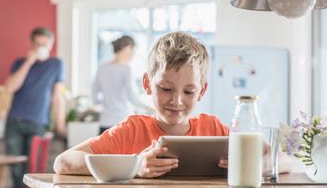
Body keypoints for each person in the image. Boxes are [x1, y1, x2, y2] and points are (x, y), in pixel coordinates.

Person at [54, 32, 292, 178]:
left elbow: (285, 161)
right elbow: (63, 162)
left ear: (202, 91)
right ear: (147, 84)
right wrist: (134, 166)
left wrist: (259, 166)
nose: (177, 101)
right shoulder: (130, 130)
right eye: (165, 89)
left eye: (189, 91)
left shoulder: (214, 129)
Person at [4, 27, 67, 188]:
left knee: (32, 173)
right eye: (38, 44)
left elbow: (57, 96)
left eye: (44, 44)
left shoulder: (56, 64)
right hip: (14, 123)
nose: (41, 47)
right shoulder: (20, 62)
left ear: (51, 45)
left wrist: (60, 125)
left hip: (37, 124)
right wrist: (27, 63)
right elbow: (9, 88)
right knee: (16, 172)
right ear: (32, 44)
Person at [92, 35, 145, 134]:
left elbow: (95, 98)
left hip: (105, 123)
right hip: (122, 123)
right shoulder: (126, 69)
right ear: (128, 48)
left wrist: (108, 104)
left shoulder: (101, 68)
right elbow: (132, 98)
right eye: (134, 51)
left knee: (104, 150)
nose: (133, 55)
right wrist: (149, 106)